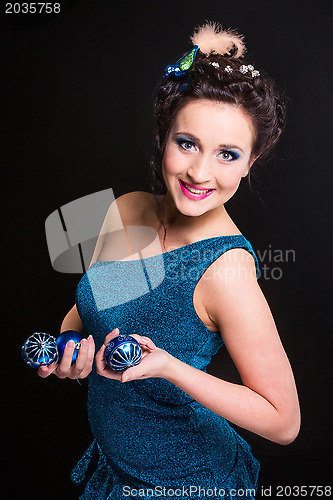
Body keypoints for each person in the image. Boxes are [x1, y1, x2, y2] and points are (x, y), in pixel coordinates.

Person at [38, 22, 300, 499]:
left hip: (186, 484)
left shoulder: (225, 272)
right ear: (164, 136)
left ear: (251, 162)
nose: (200, 172)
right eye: (187, 143)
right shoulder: (127, 209)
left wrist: (170, 367)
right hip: (117, 470)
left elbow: (284, 423)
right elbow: (93, 311)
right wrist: (70, 349)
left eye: (228, 154)